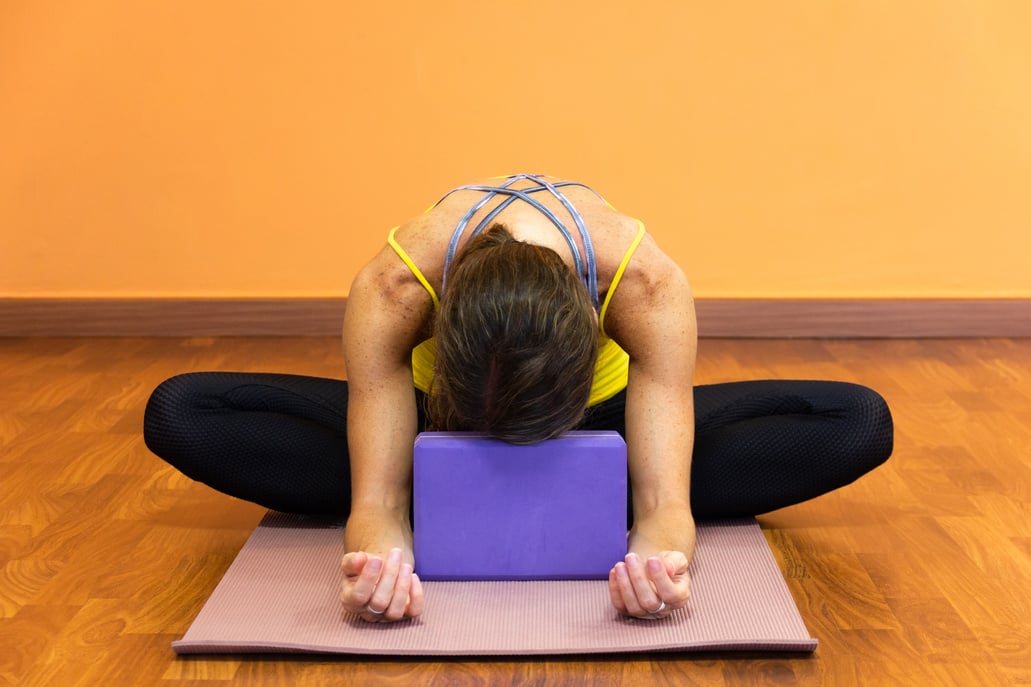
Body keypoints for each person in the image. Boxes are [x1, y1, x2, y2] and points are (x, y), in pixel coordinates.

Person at [144, 173, 894, 624]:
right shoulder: (393, 288)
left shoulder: (645, 284)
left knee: (853, 421)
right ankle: (498, 472)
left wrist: (659, 563)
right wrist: (378, 559)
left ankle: (575, 469)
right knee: (183, 411)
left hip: (598, 430)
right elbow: (376, 496)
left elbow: (664, 497)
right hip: (434, 430)